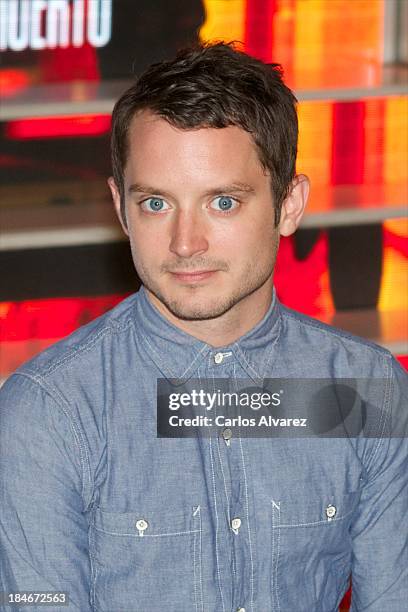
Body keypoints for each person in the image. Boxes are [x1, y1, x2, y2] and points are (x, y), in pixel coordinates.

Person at [0, 42, 407, 612]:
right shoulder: (49, 412)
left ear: (288, 205)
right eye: (156, 205)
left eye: (222, 202)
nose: (185, 244)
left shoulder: (364, 390)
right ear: (120, 207)